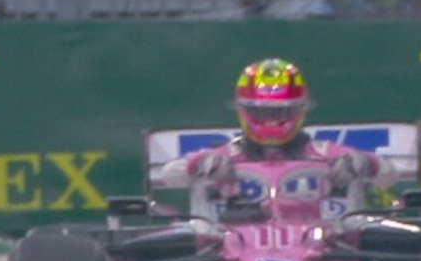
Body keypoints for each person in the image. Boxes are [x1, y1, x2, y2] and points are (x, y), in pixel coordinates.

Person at [167, 58, 393, 205]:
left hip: (323, 255)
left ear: (300, 109)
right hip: (232, 255)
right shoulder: (223, 157)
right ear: (244, 109)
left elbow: (389, 174)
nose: (272, 120)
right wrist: (200, 164)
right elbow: (169, 175)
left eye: (281, 111)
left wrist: (362, 162)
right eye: (263, 112)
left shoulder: (325, 154)